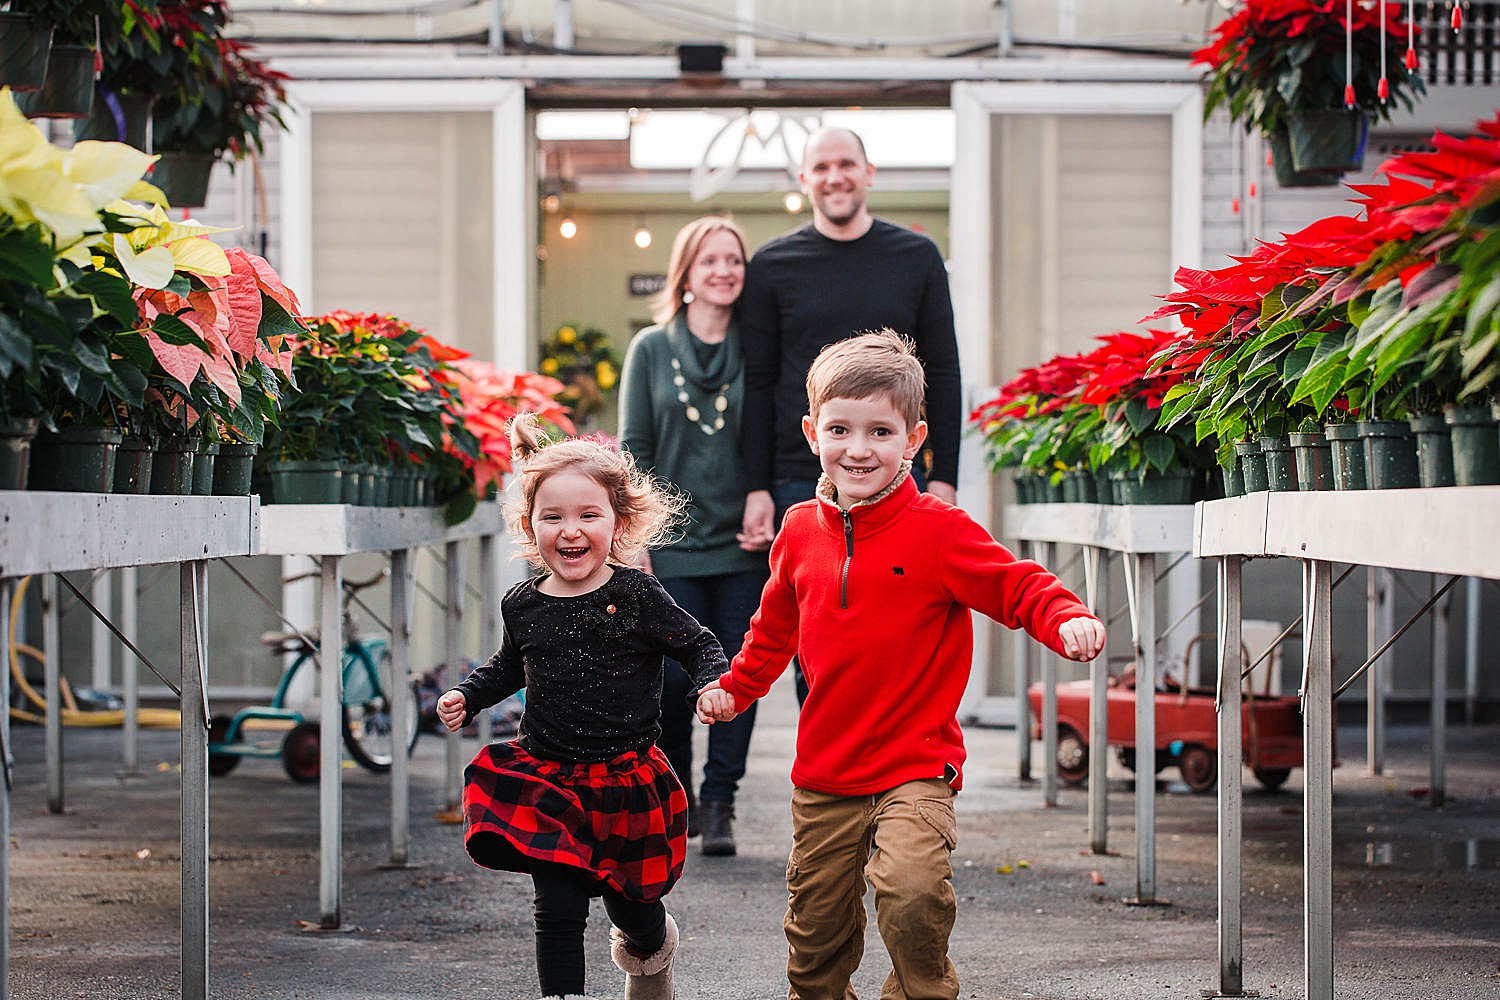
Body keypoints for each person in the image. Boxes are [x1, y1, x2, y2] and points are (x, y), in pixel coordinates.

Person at [697, 331, 1106, 1000]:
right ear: (811, 432)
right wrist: (736, 689)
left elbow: (1015, 583)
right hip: (826, 770)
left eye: (880, 431)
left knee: (912, 894)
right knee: (815, 934)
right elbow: (773, 628)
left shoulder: (939, 530)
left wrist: (1064, 617)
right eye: (841, 429)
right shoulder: (799, 531)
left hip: (915, 764)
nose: (859, 449)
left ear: (913, 439)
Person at [436, 413, 728, 1000]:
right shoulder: (522, 604)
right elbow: (508, 668)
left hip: (627, 780)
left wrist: (710, 684)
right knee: (558, 908)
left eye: (588, 515)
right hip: (552, 779)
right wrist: (468, 695)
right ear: (531, 525)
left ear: (618, 523)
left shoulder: (636, 595)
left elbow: (699, 643)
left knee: (634, 909)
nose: (571, 530)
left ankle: (650, 950)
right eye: (553, 517)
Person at [737, 124, 964, 702]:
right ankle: (829, 771)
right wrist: (757, 487)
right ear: (804, 180)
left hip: (895, 473)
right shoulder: (772, 264)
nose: (834, 176)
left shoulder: (916, 257)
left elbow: (943, 371)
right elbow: (760, 382)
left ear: (868, 173)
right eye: (821, 167)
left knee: (894, 625)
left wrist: (946, 475)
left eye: (845, 164)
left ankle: (889, 768)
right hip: (800, 474)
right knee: (813, 635)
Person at [618, 216, 770, 858]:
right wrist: (636, 537)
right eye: (710, 260)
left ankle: (720, 802)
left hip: (742, 542)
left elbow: (774, 431)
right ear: (686, 274)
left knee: (736, 675)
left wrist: (763, 491)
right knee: (676, 682)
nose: (724, 270)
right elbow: (635, 449)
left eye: (734, 260)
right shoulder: (651, 348)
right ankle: (676, 797)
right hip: (673, 544)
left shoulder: (758, 348)